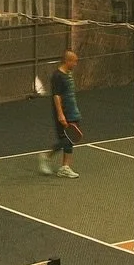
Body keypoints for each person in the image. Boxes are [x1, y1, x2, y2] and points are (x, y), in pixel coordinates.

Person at [38, 49, 84, 178]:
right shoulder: (57, 76)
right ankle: (46, 156)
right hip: (64, 112)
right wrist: (60, 114)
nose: (75, 64)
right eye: (74, 61)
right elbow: (56, 96)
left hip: (73, 111)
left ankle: (65, 167)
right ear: (67, 61)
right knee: (66, 139)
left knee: (71, 140)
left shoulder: (68, 74)